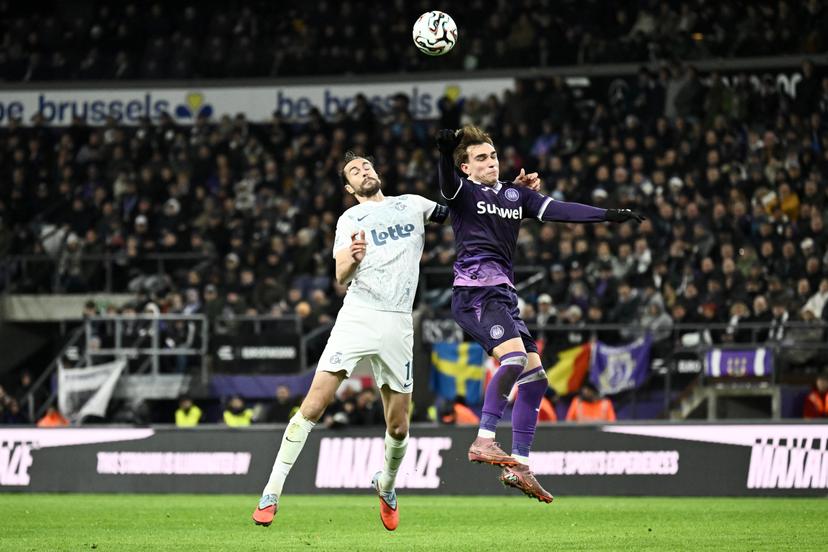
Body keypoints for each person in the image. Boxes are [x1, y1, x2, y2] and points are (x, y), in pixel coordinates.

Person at [436, 126, 643, 503]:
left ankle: (520, 465)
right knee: (514, 359)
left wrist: (609, 215)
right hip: (476, 292)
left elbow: (560, 210)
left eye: (493, 156)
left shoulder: (516, 195)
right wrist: (442, 153)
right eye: (480, 158)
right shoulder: (462, 192)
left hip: (504, 296)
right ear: (465, 168)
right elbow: (446, 182)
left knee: (536, 380)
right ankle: (484, 439)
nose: (490, 163)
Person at [251, 151, 451, 532]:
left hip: (398, 323)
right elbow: (341, 274)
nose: (363, 172)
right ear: (349, 187)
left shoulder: (412, 205)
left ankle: (387, 486)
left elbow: (460, 211)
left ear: (377, 172)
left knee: (398, 427)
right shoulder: (350, 220)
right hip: (358, 316)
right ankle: (271, 491)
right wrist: (354, 258)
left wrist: (502, 196)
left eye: (367, 167)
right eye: (355, 172)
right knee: (313, 404)